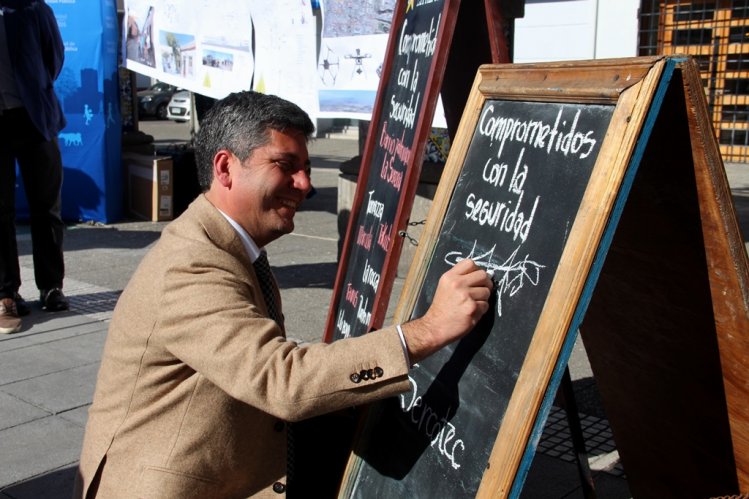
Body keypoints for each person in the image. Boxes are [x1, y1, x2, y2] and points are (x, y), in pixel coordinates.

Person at [74, 91, 493, 498]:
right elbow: (282, 380)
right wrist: (429, 330)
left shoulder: (231, 244)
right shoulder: (192, 265)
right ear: (225, 168)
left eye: (306, 167)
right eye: (285, 165)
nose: (305, 184)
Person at [0, 0, 68, 335]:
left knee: (46, 207)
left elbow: (53, 58)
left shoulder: (32, 8)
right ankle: (5, 293)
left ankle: (51, 286)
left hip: (34, 120)